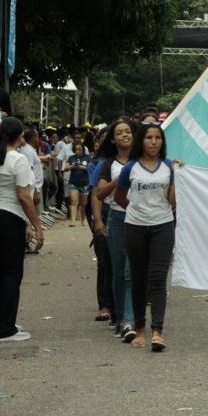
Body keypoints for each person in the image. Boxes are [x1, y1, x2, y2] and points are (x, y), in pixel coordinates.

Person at [0, 117, 44, 341]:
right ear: (18, 137)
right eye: (23, 136)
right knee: (11, 273)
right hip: (9, 217)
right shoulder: (18, 160)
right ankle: (5, 327)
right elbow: (24, 196)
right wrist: (37, 225)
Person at [114, 123, 176, 352]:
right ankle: (140, 329)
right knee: (138, 280)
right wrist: (137, 211)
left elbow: (173, 198)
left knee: (158, 279)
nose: (153, 142)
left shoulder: (169, 166)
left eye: (157, 138)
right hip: (135, 227)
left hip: (163, 226)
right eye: (149, 137)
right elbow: (120, 197)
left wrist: (182, 175)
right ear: (141, 140)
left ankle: (157, 331)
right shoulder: (130, 168)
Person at [95, 119, 137, 341]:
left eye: (128, 132)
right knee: (118, 271)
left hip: (140, 218)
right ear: (112, 139)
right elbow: (100, 193)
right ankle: (121, 317)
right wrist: (118, 179)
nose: (124, 135)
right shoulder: (109, 163)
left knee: (131, 273)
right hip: (117, 218)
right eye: (119, 133)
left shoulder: (144, 160)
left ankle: (129, 320)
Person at [87, 127, 113, 322]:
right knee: (104, 260)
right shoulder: (98, 164)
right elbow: (95, 194)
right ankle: (104, 304)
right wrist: (98, 220)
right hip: (103, 213)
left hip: (128, 215)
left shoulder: (135, 161)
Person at [65, 143, 90, 227]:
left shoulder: (88, 157)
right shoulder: (71, 158)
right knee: (73, 201)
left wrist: (83, 167)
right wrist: (71, 166)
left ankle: (83, 220)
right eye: (76, 149)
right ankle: (73, 221)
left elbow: (90, 169)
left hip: (85, 183)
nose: (77, 151)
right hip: (73, 182)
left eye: (79, 149)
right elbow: (65, 168)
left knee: (83, 204)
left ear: (83, 149)